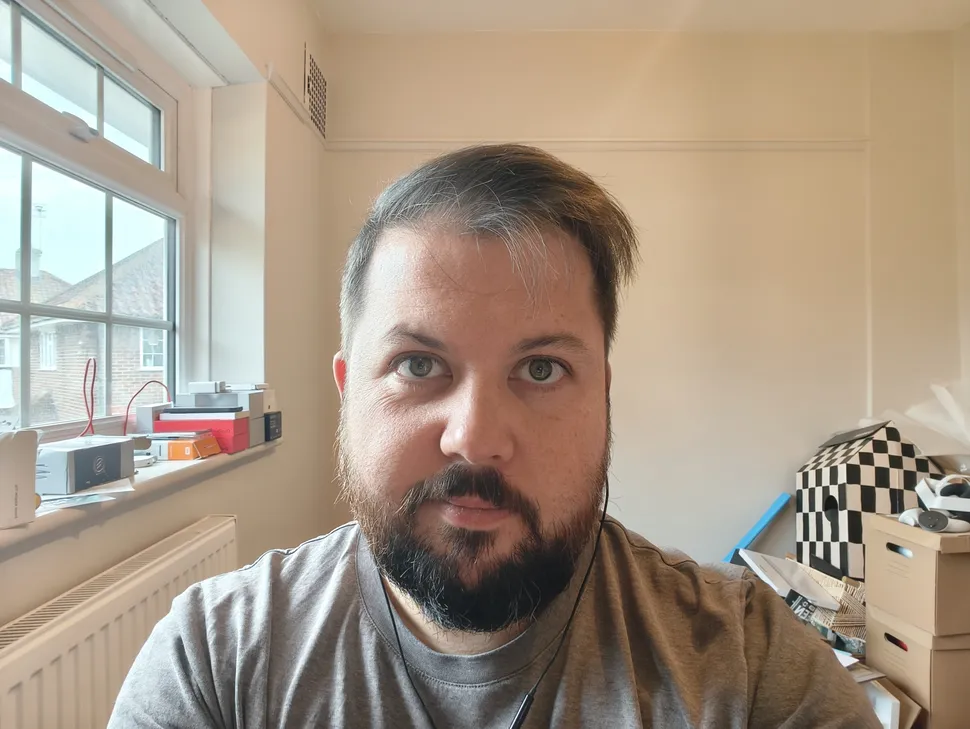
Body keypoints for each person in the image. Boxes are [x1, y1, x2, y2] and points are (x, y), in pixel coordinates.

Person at [109, 144, 881, 728]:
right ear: (348, 392)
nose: (475, 439)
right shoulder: (215, 661)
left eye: (541, 369)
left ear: (603, 395)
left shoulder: (748, 664)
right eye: (418, 364)